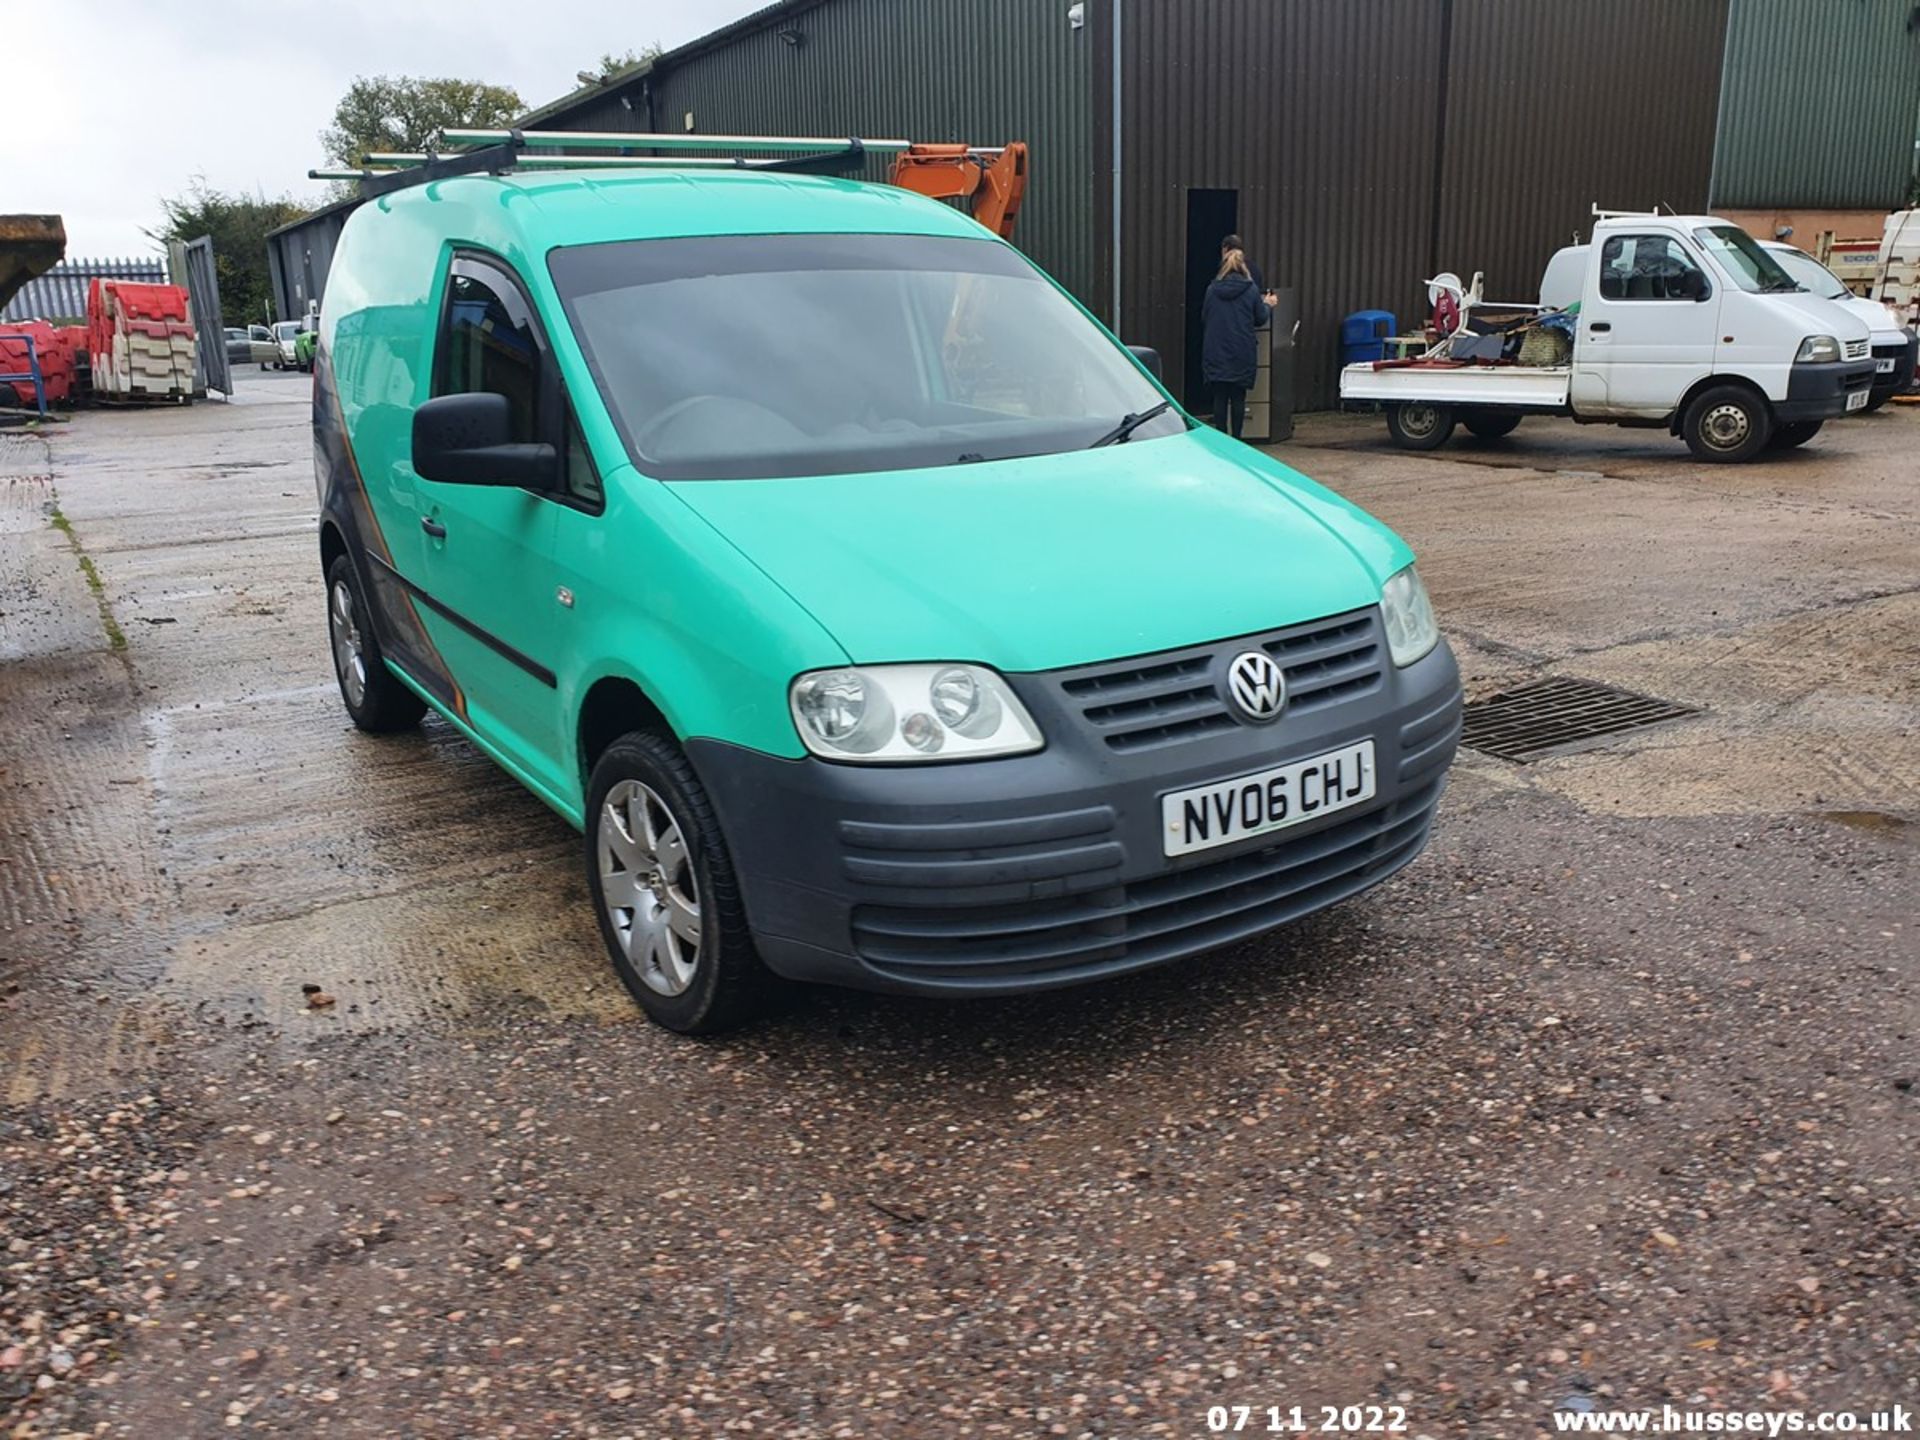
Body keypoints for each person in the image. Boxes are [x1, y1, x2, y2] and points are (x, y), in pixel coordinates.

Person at [1201, 249, 1276, 438]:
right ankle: (1237, 439)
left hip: (1216, 349)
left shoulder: (1212, 290)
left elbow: (1204, 317)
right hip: (1241, 349)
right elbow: (1260, 319)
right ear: (1243, 265)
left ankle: (1220, 439)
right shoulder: (1250, 290)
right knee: (1238, 397)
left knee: (1219, 397)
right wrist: (1268, 304)